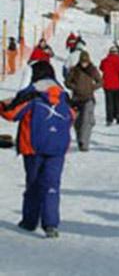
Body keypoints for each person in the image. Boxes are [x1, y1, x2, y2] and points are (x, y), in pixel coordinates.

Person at [0, 61, 74, 238]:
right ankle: (51, 224)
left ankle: (30, 221)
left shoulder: (32, 95)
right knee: (52, 185)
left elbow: (12, 114)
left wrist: (3, 104)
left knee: (33, 183)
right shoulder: (63, 95)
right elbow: (72, 116)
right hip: (57, 147)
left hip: (33, 146)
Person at [65, 51, 102, 151]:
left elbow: (100, 81)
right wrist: (74, 87)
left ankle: (84, 143)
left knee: (86, 121)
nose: (84, 64)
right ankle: (80, 140)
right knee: (77, 122)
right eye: (82, 62)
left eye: (86, 62)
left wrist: (92, 87)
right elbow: (67, 82)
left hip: (88, 98)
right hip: (76, 99)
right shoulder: (74, 70)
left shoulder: (93, 70)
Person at [100, 45, 119, 125]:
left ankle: (109, 119)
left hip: (107, 84)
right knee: (118, 101)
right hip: (118, 84)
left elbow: (101, 68)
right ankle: (118, 116)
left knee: (109, 102)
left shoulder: (105, 61)